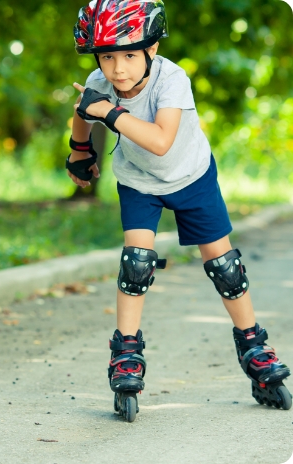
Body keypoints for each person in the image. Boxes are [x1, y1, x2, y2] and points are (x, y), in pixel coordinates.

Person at [66, 0, 291, 413]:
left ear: (151, 49)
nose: (118, 69)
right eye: (107, 56)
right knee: (136, 262)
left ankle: (254, 346)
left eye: (130, 54)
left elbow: (160, 140)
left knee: (226, 268)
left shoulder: (172, 79)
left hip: (191, 176)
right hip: (138, 183)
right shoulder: (99, 80)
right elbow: (84, 110)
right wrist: (81, 151)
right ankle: (126, 353)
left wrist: (108, 112)